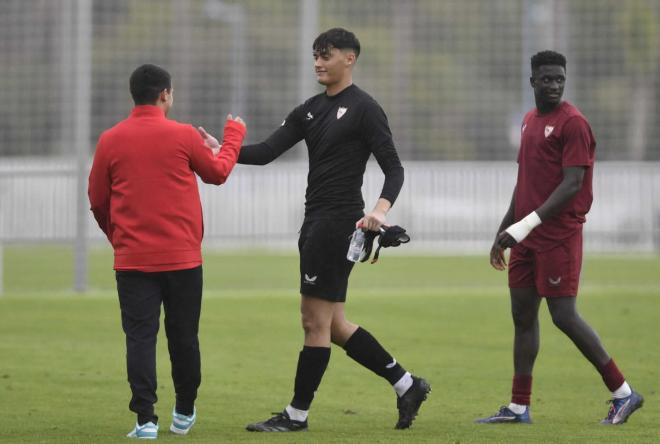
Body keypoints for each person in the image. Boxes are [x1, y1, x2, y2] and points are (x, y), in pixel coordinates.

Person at [200, 28, 430, 432]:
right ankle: (406, 384)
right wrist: (222, 150)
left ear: (350, 58)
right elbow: (267, 152)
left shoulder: (365, 108)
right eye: (315, 55)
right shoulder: (308, 109)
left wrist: (378, 210)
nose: (318, 62)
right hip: (314, 223)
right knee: (334, 324)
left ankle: (296, 415)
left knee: (314, 322)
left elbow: (394, 168)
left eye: (326, 55)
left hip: (338, 225)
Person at [476, 51, 643, 425]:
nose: (553, 85)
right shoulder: (529, 121)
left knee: (563, 316)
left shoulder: (574, 124)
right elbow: (525, 184)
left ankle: (624, 393)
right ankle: (519, 407)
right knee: (522, 315)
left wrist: (523, 226)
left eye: (559, 79)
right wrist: (503, 230)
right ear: (532, 81)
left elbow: (573, 184)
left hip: (558, 235)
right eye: (547, 79)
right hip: (526, 236)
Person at [88, 64, 246, 439]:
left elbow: (97, 200)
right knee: (184, 337)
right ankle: (184, 412)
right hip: (183, 259)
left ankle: (144, 420)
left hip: (133, 260)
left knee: (140, 338)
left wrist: (120, 238)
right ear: (165, 95)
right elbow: (218, 172)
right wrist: (233, 136)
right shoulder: (183, 135)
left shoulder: (110, 139)